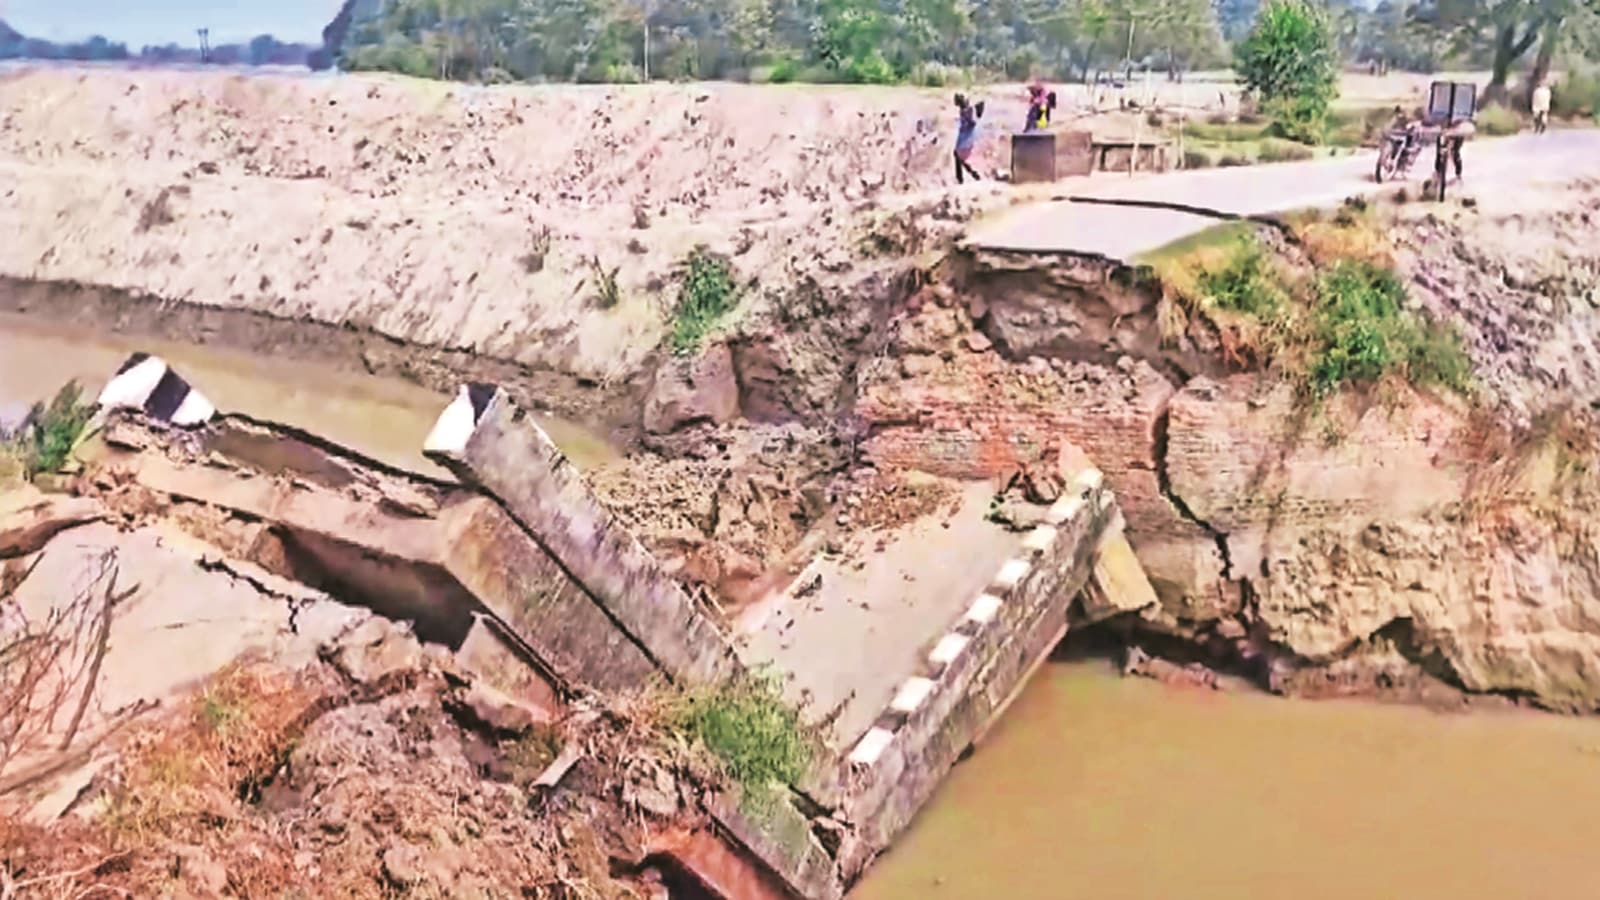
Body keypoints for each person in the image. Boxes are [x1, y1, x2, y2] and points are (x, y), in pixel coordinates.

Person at [953, 93, 984, 184]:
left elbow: (973, 122)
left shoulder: (968, 110)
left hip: (967, 136)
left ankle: (964, 177)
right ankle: (970, 175)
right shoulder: (964, 110)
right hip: (964, 135)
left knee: (958, 156)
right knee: (958, 156)